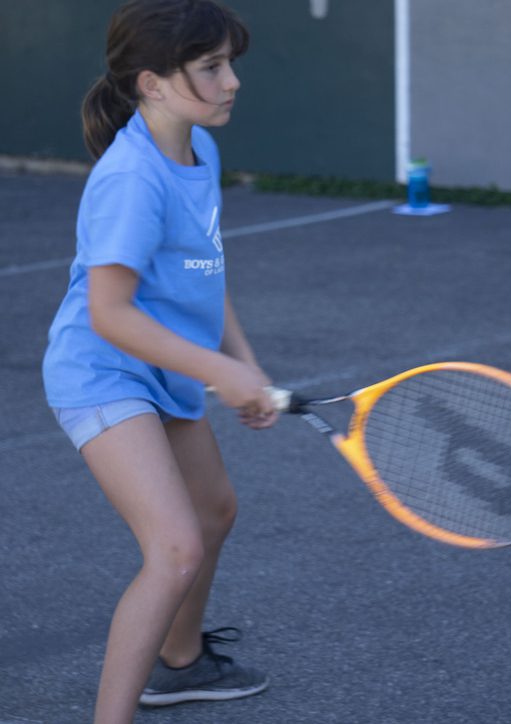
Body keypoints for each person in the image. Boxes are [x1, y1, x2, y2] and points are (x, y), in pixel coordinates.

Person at [41, 1, 277, 722]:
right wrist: (221, 372)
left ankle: (178, 665)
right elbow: (110, 314)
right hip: (102, 370)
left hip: (162, 365)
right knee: (174, 549)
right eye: (210, 67)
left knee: (214, 509)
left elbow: (204, 269)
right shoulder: (131, 180)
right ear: (151, 83)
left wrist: (242, 359)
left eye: (230, 62)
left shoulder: (197, 148)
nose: (231, 81)